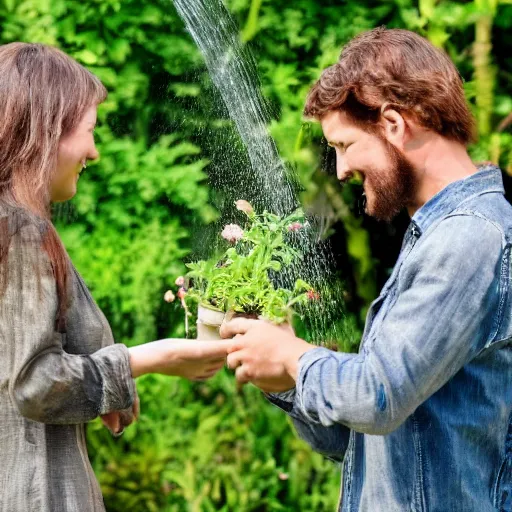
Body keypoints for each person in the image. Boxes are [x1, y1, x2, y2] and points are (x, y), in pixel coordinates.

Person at [221, 27, 512, 512]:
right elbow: (367, 441)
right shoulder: (439, 234)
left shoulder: (470, 237)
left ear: (394, 123)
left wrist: (295, 356)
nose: (339, 170)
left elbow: (377, 397)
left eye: (345, 145)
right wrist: (285, 377)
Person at [0, 42, 230, 511]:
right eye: (89, 131)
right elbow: (34, 384)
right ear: (47, 133)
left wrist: (107, 388)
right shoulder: (21, 233)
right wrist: (151, 358)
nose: (95, 151)